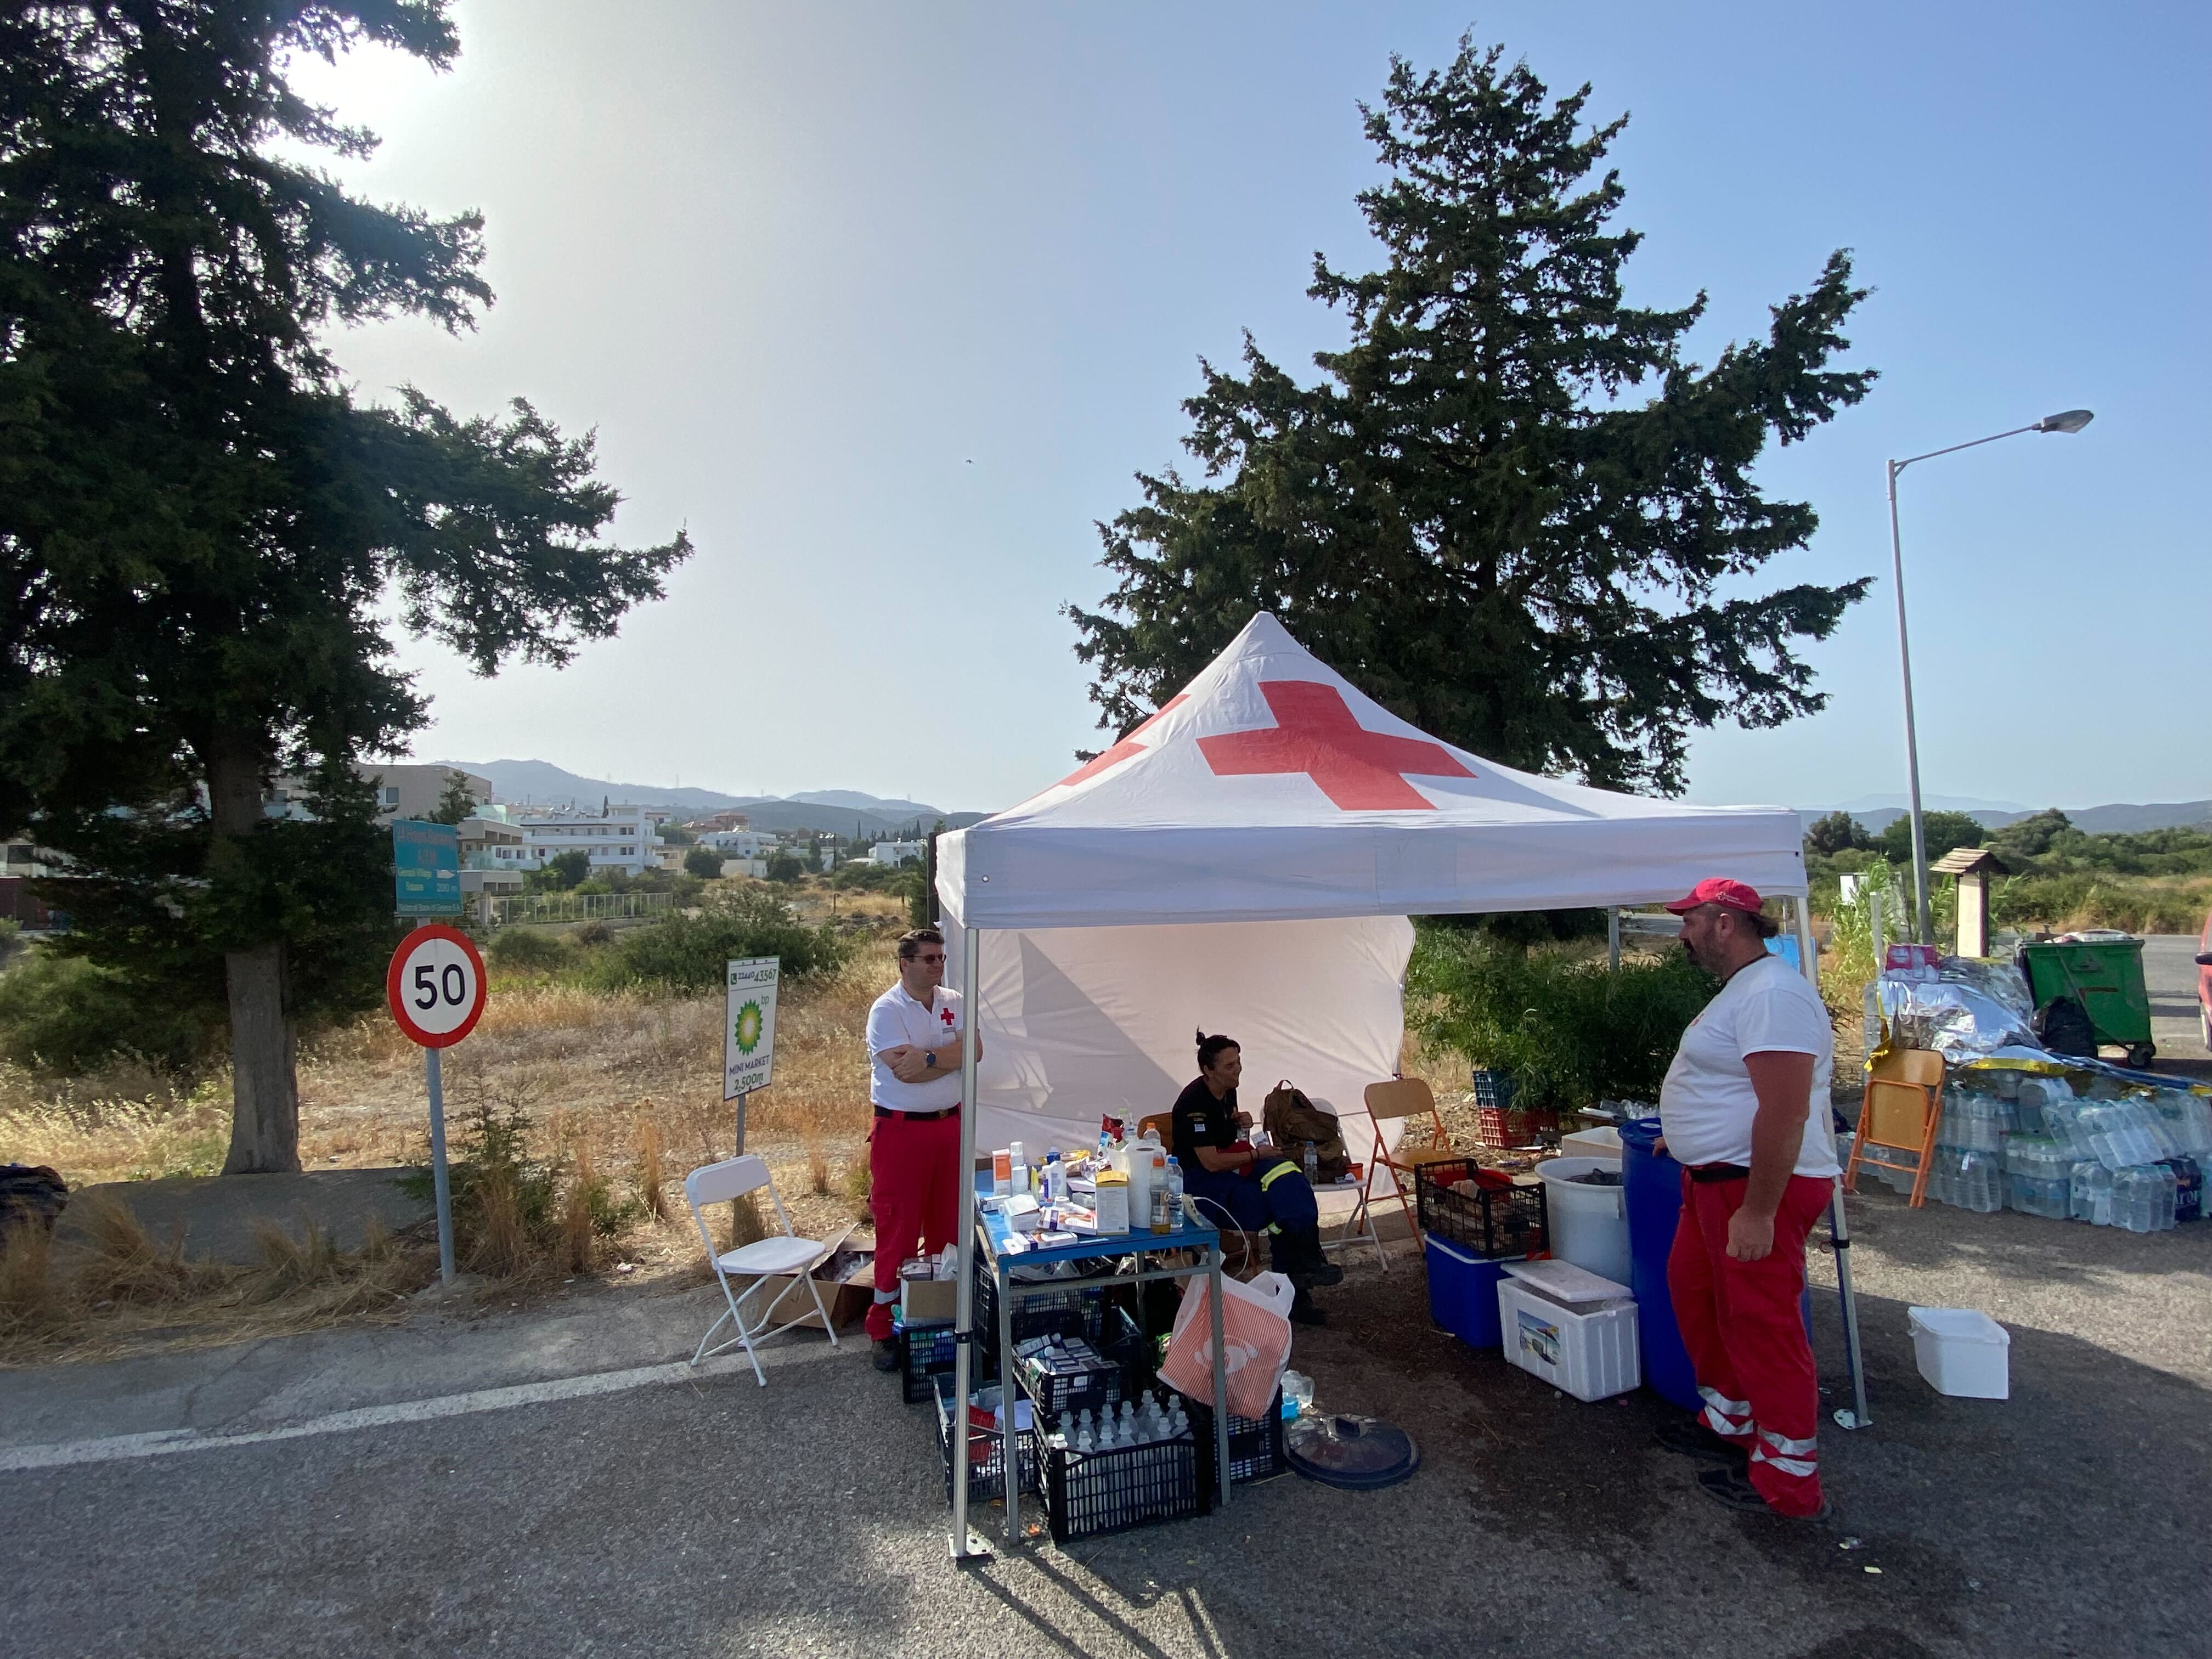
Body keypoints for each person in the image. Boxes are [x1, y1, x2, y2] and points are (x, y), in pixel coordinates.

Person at [1654, 878, 1840, 1520]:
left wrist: (1758, 1210)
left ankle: (1789, 1481)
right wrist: (1682, 1134)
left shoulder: (1775, 995)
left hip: (1755, 1187)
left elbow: (1785, 1113)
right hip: (1713, 1178)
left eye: (1690, 921)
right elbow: (1730, 1086)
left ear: (1725, 922)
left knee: (1763, 1323)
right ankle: (1731, 1424)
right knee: (1699, 1298)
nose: (1683, 934)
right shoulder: (1746, 991)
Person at [864, 927, 980, 1371]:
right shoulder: (887, 1010)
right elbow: (902, 1073)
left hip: (949, 1127)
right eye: (928, 958)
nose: (937, 965)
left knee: (947, 1226)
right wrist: (952, 1057)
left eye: (941, 958)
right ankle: (884, 1325)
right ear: (904, 963)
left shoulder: (954, 1001)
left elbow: (977, 1051)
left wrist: (930, 1057)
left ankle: (936, 1313)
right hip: (901, 1133)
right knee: (898, 1228)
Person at [1170, 1031, 1343, 1325]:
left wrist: (1243, 1124)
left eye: (1238, 1062)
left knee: (1291, 1179)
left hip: (1235, 1165)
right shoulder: (1194, 1103)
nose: (1238, 1070)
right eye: (1229, 1066)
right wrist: (1257, 1155)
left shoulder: (1228, 1091)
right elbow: (1211, 1163)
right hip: (1201, 1181)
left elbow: (1230, 1139)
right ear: (1208, 1071)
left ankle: (1307, 1265)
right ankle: (1292, 1290)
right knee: (1265, 1206)